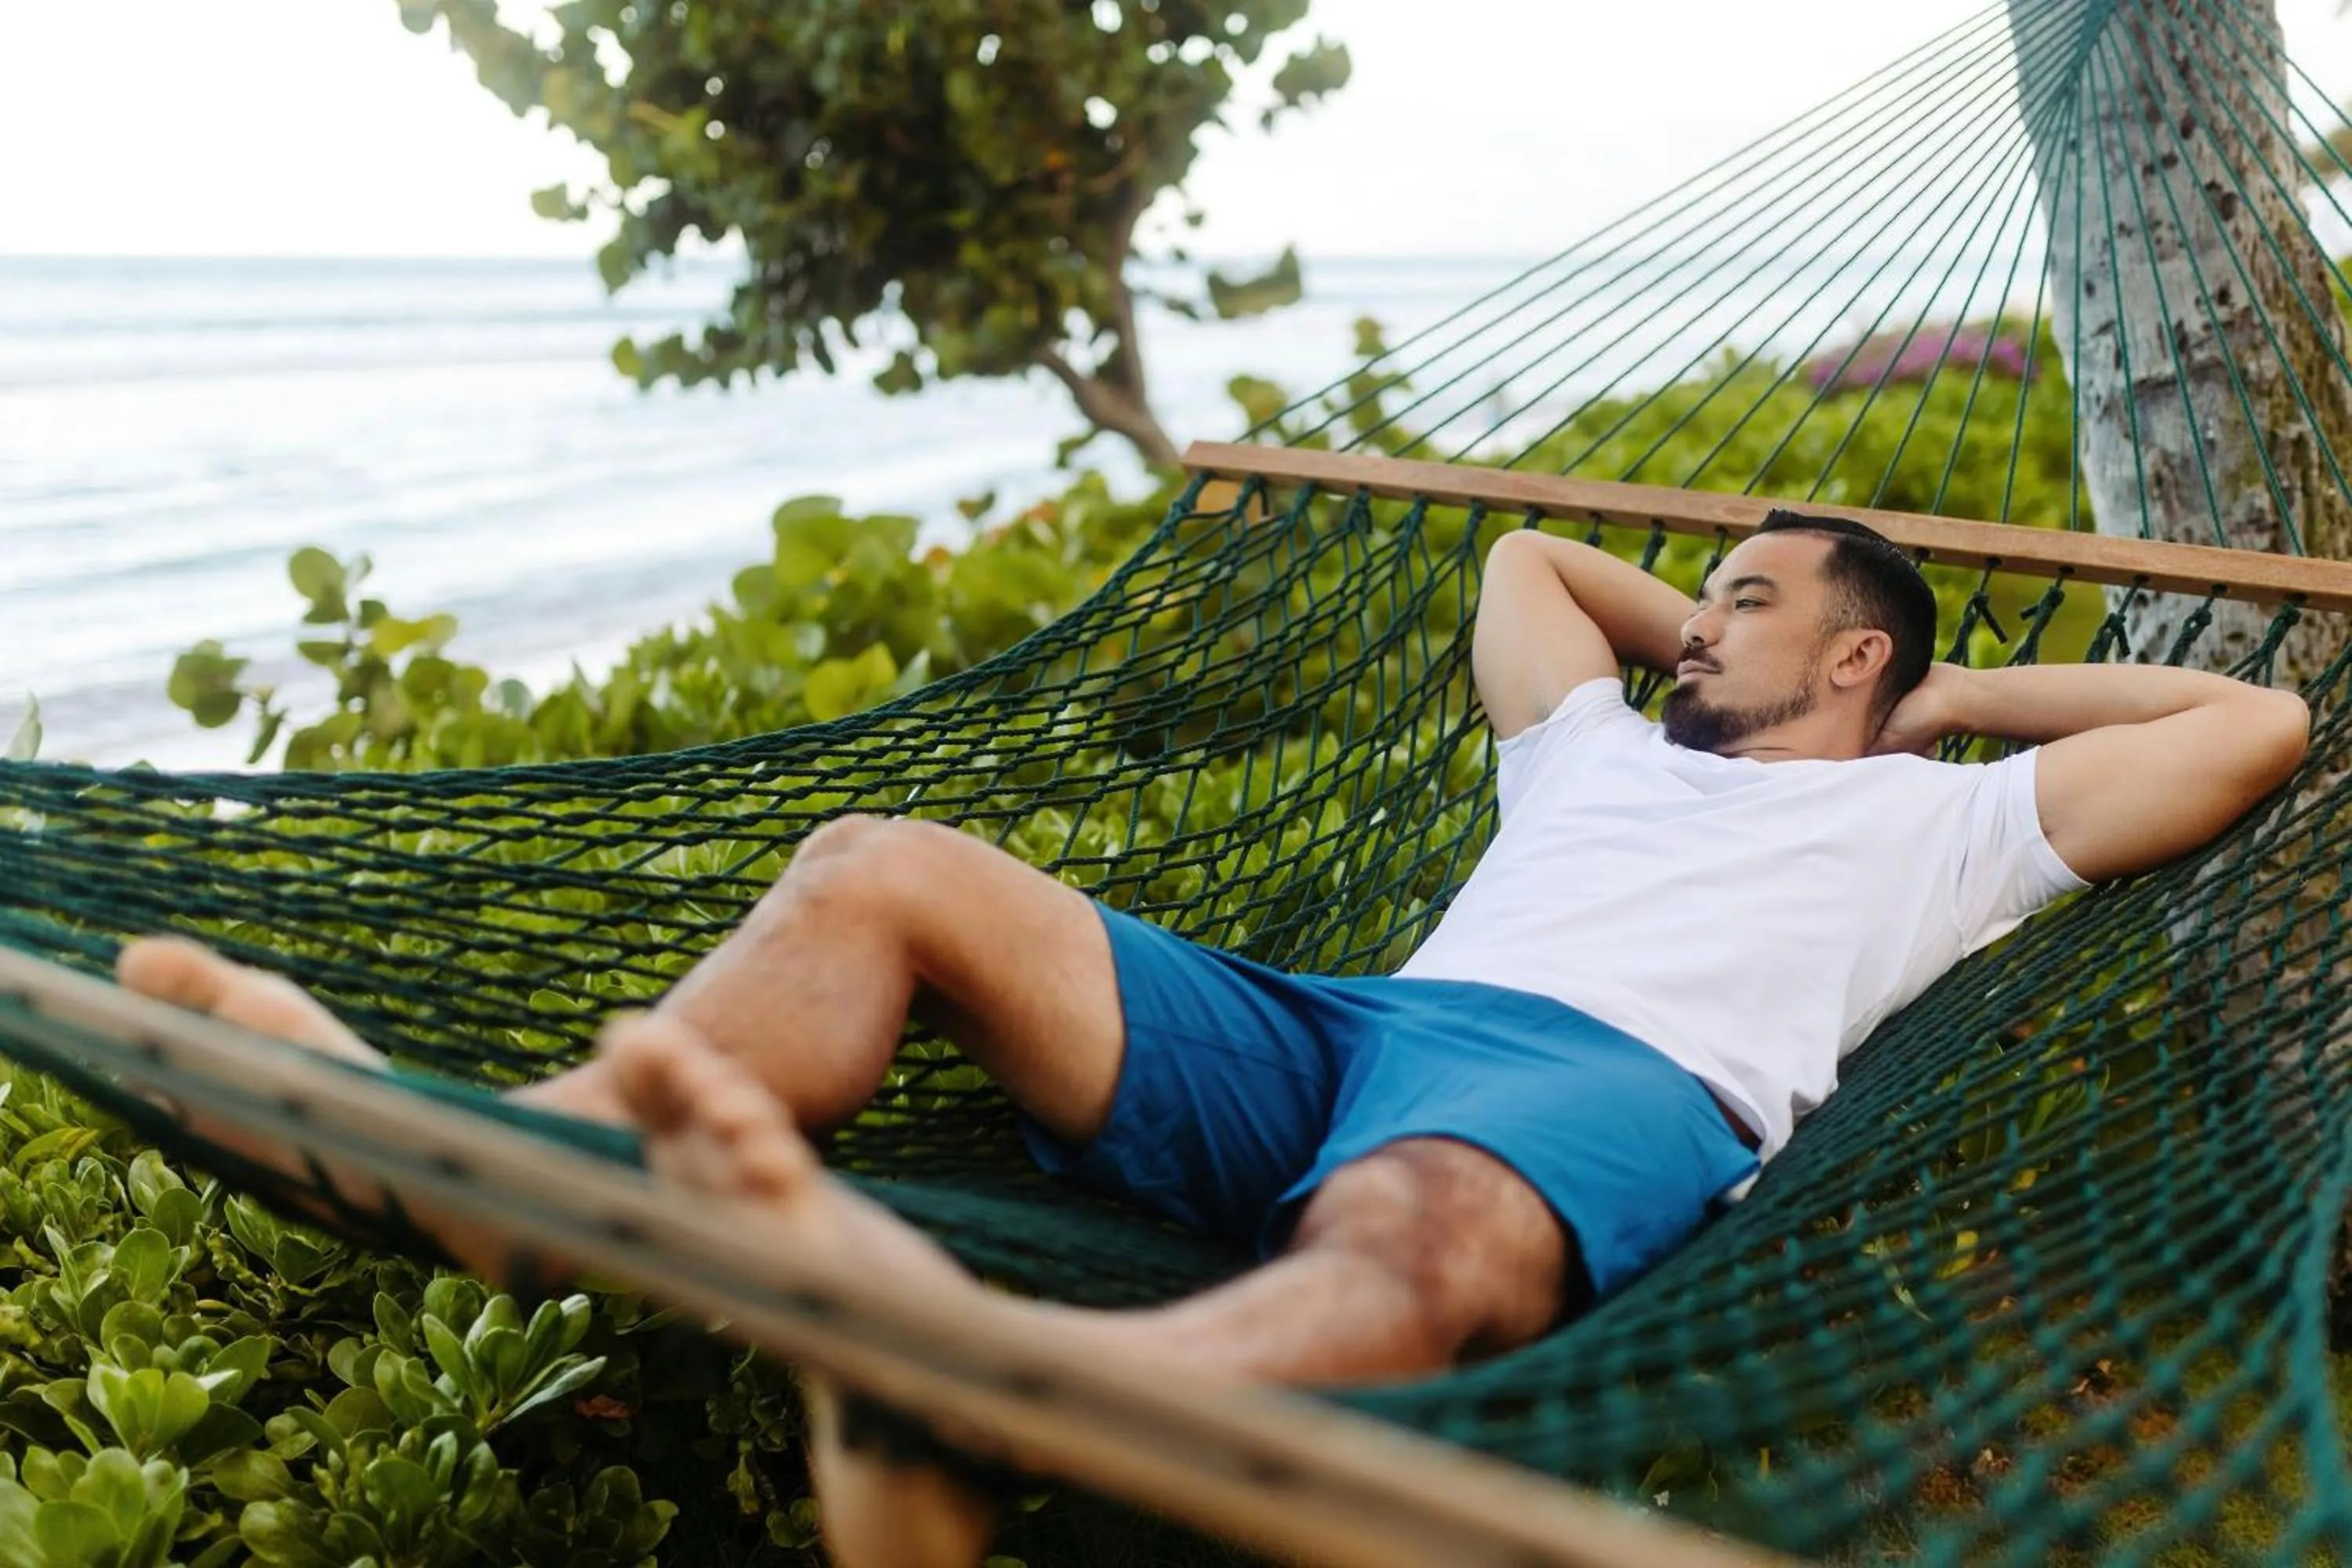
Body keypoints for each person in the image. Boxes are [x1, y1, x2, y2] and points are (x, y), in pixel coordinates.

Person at [114, 510, 2309, 1568]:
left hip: (1596, 1092)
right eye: (1705, 592)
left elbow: (2261, 720)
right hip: (1337, 1028)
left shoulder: (1951, 824)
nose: (1693, 619)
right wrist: (1749, 635)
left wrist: (1929, 693)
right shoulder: (1595, 759)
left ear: (1854, 664)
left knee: (1420, 1245)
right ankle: (520, 1172)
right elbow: (1542, 560)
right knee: (886, 859)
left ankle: (1001, 1414)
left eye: (1745, 597)